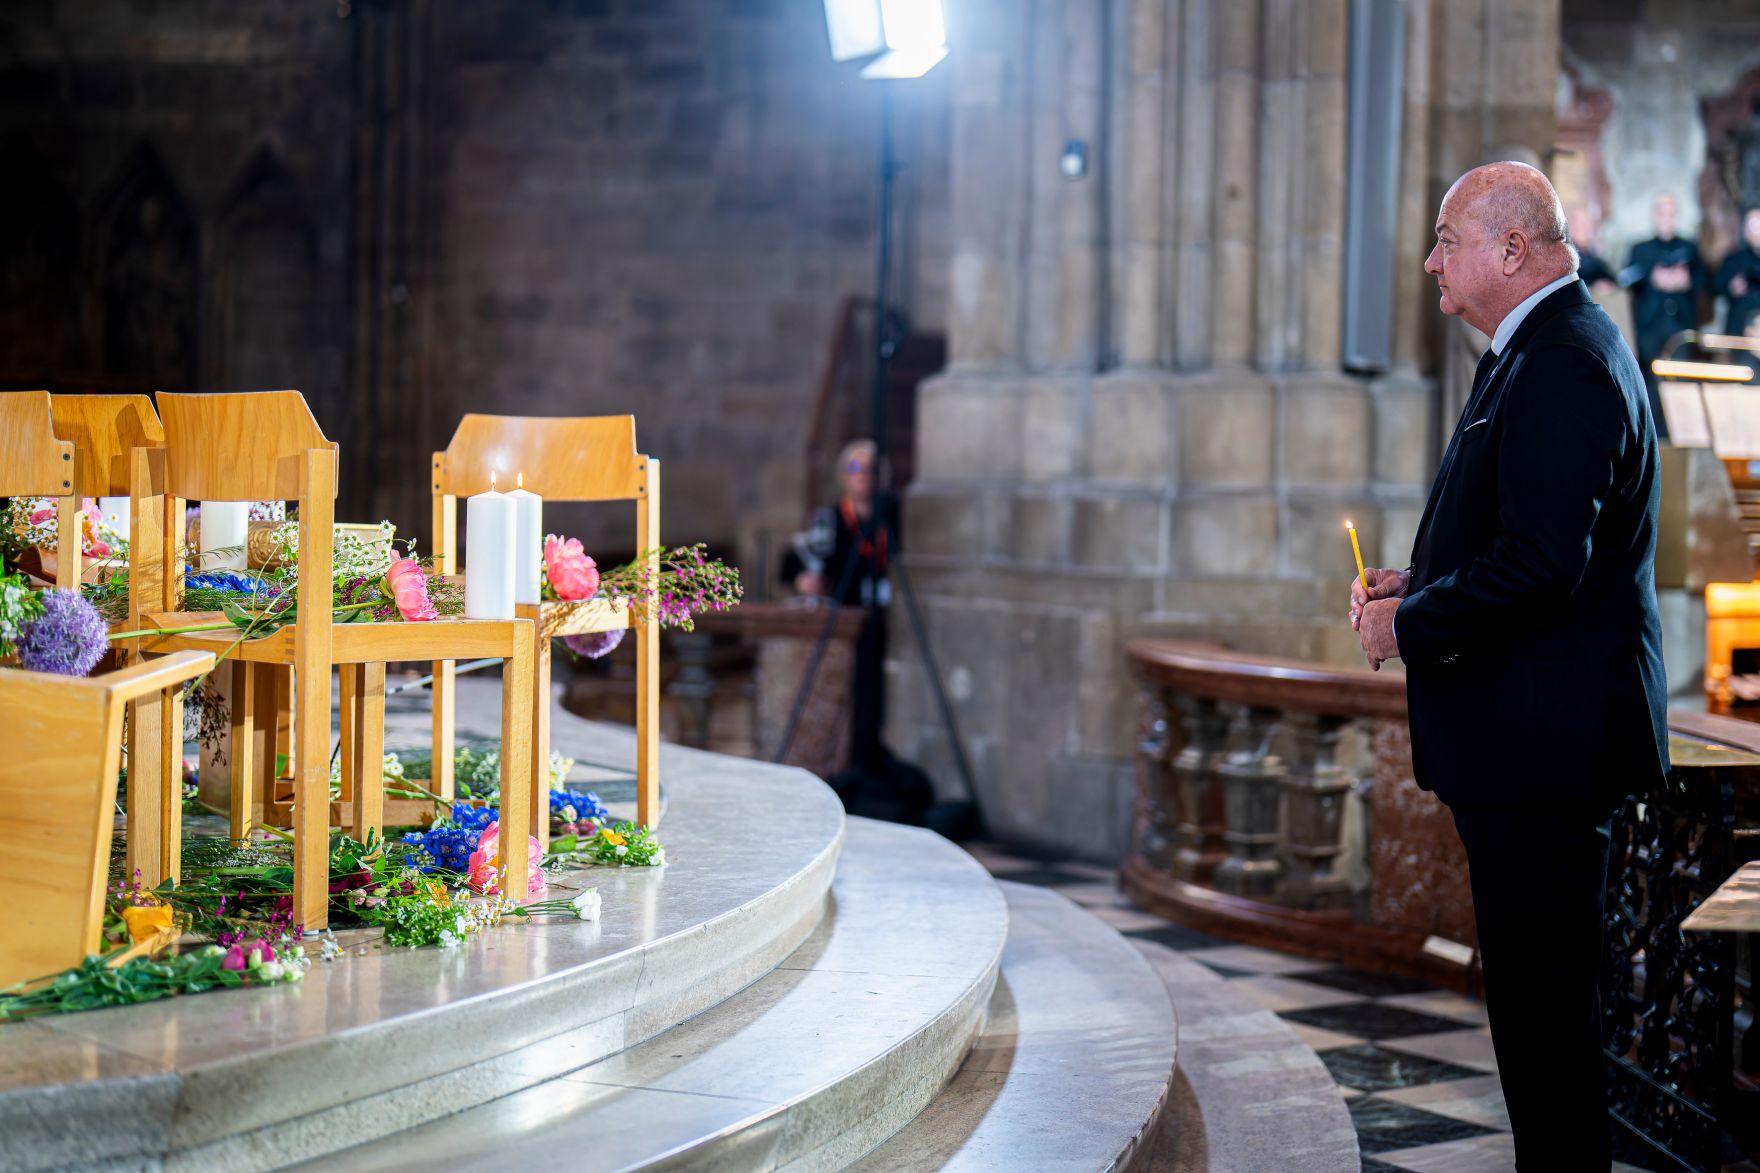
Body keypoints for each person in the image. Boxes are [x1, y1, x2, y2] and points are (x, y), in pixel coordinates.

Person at [1352, 161, 1668, 1170]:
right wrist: (1423, 578)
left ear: (1510, 250)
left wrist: (1405, 628)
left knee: (1546, 1036)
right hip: (1529, 749)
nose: (1430, 260)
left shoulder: (1565, 357)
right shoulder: (1531, 349)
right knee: (1533, 1029)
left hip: (1547, 757)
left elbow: (1540, 567)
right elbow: (1522, 541)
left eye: (1446, 239)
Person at [787, 438, 899, 772]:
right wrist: (806, 578)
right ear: (843, 475)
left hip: (883, 619)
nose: (863, 475)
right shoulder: (832, 518)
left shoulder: (890, 514)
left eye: (871, 469)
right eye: (854, 467)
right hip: (842, 620)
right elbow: (797, 562)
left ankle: (873, 756)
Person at [1622, 192, 1708, 434]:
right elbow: (1627, 279)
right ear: (1655, 215)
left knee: (1679, 381)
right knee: (1649, 382)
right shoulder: (1640, 249)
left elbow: (1704, 282)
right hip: (1650, 326)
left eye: (1669, 212)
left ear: (1675, 215)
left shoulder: (1689, 247)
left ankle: (1677, 433)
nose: (1665, 217)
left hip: (1680, 326)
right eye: (1661, 212)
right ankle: (1650, 435)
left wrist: (1685, 281)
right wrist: (1654, 278)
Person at [1716, 206, 1760, 335]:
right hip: (1740, 329)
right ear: (1745, 229)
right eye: (1754, 225)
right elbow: (1716, 286)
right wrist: (1732, 287)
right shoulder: (1733, 259)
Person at [1568, 206, 1617, 291]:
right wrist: (1594, 285)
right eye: (1581, 225)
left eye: (1588, 225)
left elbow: (1610, 277)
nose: (1587, 229)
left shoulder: (1593, 256)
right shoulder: (1565, 257)